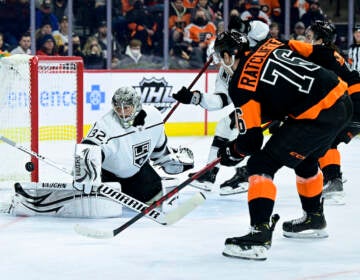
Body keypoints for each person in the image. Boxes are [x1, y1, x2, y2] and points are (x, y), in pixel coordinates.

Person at [213, 31, 352, 260]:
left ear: (228, 56)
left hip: (316, 115)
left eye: (221, 57)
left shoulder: (240, 83)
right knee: (305, 159)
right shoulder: (272, 43)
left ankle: (259, 235)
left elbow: (252, 142)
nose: (221, 63)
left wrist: (233, 151)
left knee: (260, 164)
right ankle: (314, 218)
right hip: (342, 100)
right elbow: (320, 54)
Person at [173, 19, 271, 195]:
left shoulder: (255, 55)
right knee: (226, 125)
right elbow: (221, 100)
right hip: (255, 104)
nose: (218, 59)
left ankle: (246, 174)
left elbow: (262, 30)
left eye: (220, 53)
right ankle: (210, 173)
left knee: (240, 131)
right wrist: (195, 98)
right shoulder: (225, 70)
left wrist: (245, 26)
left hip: (272, 100)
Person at [80, 86, 194, 204]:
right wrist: (84, 175)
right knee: (103, 207)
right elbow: (86, 150)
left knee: (158, 197)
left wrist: (169, 161)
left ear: (136, 105)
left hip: (137, 173)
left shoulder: (154, 117)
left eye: (126, 108)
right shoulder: (106, 126)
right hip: (107, 177)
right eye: (118, 108)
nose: (122, 113)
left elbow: (158, 152)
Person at [287, 20, 360, 203]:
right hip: (353, 105)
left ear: (320, 40)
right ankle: (333, 179)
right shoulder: (329, 54)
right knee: (327, 141)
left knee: (324, 139)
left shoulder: (323, 52)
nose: (307, 40)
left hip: (354, 105)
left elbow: (292, 46)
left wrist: (266, 43)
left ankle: (334, 180)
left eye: (310, 37)